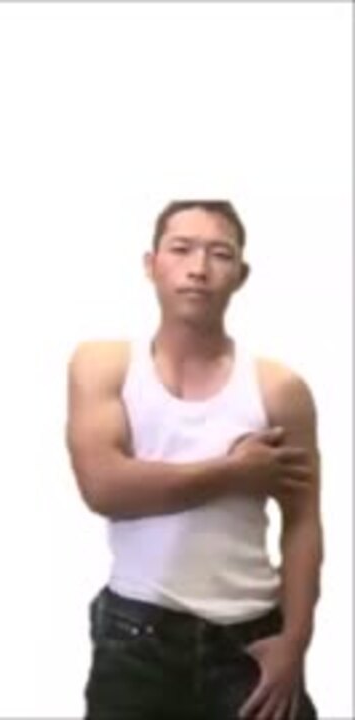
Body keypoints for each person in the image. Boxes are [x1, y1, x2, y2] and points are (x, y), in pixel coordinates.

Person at [65, 200, 323, 719]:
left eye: (219, 254)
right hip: (136, 635)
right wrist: (235, 472)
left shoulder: (279, 387)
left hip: (251, 638)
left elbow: (303, 523)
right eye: (181, 249)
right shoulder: (104, 365)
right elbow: (104, 489)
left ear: (241, 274)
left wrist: (295, 641)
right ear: (151, 264)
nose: (199, 268)